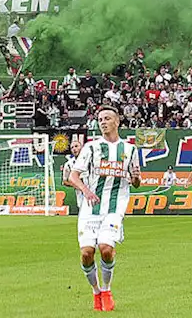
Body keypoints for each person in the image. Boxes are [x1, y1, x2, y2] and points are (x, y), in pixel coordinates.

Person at [68, 104, 141, 312]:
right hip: (90, 209)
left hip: (114, 207)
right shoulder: (91, 147)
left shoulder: (129, 149)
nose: (103, 122)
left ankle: (107, 290)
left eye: (107, 118)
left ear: (117, 121)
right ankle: (96, 291)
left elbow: (136, 182)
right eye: (100, 119)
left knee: (106, 249)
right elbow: (74, 175)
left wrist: (136, 178)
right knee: (86, 253)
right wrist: (86, 190)